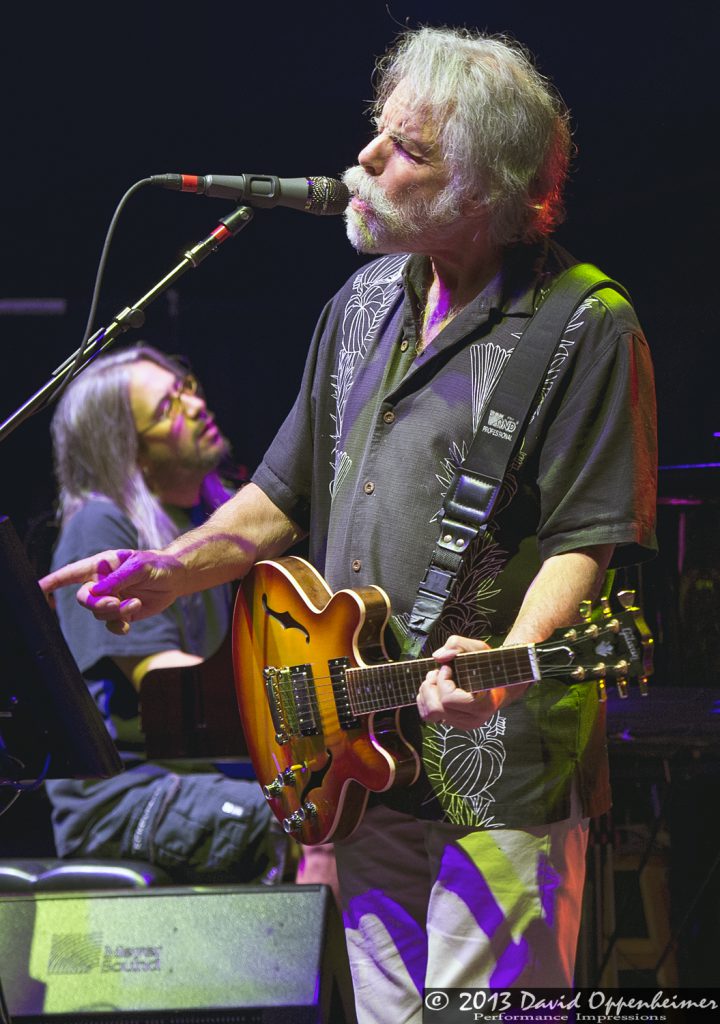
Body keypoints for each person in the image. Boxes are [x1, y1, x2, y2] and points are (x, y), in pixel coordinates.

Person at [41, 27, 657, 1023]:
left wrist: (510, 655)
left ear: (486, 188)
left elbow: (591, 537)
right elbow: (283, 497)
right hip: (356, 773)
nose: (364, 160)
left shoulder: (585, 325)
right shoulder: (362, 302)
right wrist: (171, 570)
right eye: (378, 134)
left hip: (499, 787)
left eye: (407, 149)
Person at [43, 344, 285, 884]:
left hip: (201, 779)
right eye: (167, 408)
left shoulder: (210, 524)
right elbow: (166, 687)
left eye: (186, 389)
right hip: (125, 794)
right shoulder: (101, 527)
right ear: (133, 451)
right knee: (297, 823)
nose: (195, 406)